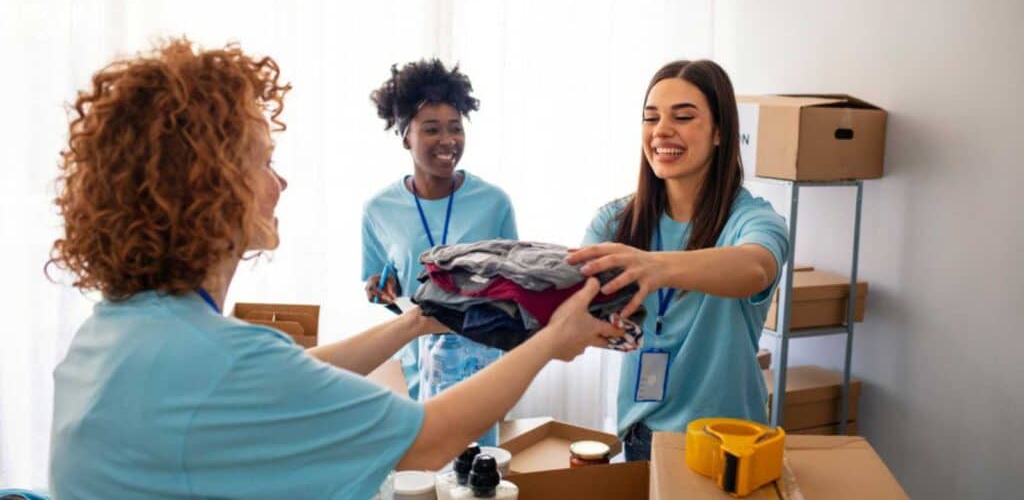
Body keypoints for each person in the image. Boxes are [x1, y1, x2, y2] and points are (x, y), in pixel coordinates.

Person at [48, 39, 623, 499]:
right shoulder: (221, 358)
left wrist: (416, 322)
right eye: (266, 161)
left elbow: (287, 372)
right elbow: (423, 441)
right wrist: (552, 340)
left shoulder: (116, 333)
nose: (282, 182)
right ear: (210, 186)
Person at [568, 59, 790, 461]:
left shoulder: (754, 219)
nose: (661, 131)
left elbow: (755, 268)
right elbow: (575, 304)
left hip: (729, 444)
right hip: (642, 438)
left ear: (720, 131)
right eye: (650, 118)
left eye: (683, 116)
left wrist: (656, 267)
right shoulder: (614, 222)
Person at [361, 60, 515, 444]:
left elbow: (516, 286)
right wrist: (380, 290)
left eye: (455, 128)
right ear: (405, 137)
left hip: (479, 373)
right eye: (431, 129)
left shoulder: (494, 203)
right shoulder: (378, 209)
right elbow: (380, 280)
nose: (448, 140)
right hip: (414, 373)